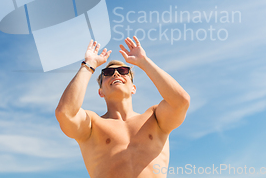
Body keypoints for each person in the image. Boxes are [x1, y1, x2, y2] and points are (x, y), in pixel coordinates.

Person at [55, 36, 190, 178]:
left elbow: (181, 101)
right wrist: (89, 65)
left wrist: (144, 62)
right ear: (101, 92)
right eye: (107, 73)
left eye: (124, 71)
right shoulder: (92, 124)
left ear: (133, 88)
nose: (116, 73)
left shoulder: (154, 117)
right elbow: (65, 112)